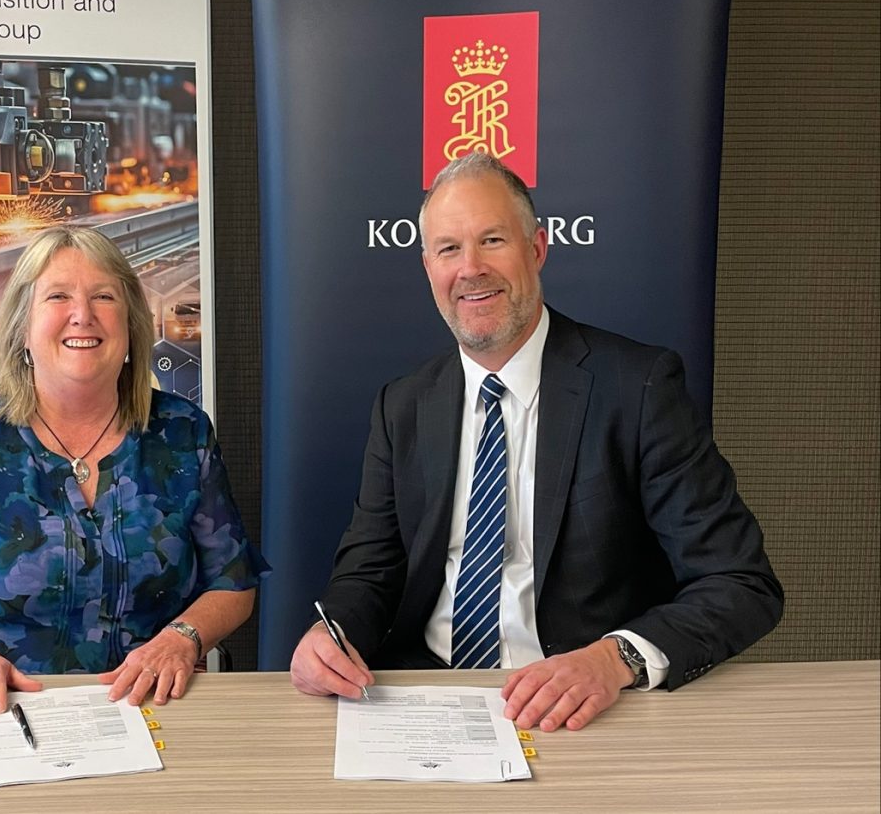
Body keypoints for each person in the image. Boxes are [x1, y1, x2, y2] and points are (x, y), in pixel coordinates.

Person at [290, 151, 782, 732]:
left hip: (582, 702)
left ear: (537, 248)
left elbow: (739, 582)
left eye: (493, 240)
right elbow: (370, 570)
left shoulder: (639, 387)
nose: (470, 268)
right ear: (428, 268)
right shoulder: (403, 404)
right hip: (426, 695)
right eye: (449, 249)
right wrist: (333, 632)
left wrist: (613, 658)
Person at [0, 226, 268, 718]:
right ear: (22, 327)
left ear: (131, 326)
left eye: (104, 296)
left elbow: (233, 582)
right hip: (1, 713)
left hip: (155, 711)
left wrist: (183, 638)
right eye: (58, 296)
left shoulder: (183, 432)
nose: (83, 315)